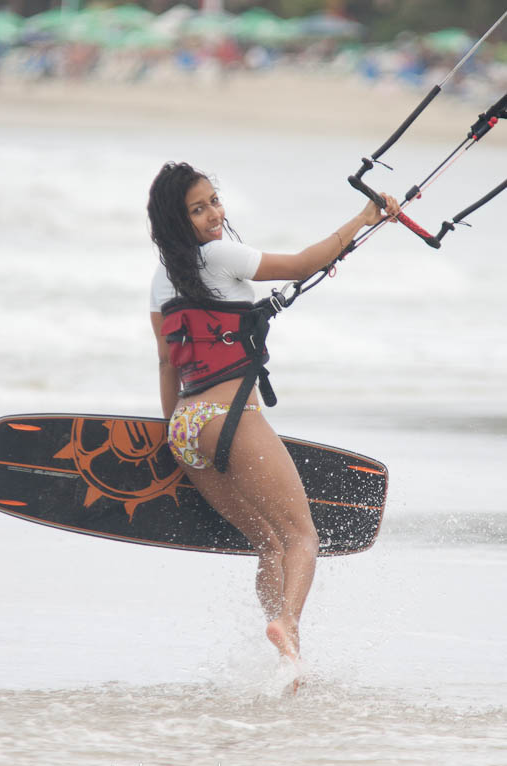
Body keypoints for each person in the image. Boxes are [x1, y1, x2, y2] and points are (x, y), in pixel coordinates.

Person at [148, 162, 400, 674]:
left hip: (186, 428)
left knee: (266, 540)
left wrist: (172, 435)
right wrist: (365, 216)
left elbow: (166, 360)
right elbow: (306, 261)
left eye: (214, 200)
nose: (214, 214)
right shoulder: (220, 256)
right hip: (229, 414)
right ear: (177, 220)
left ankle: (282, 657)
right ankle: (288, 623)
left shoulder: (159, 280)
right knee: (302, 534)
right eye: (198, 209)